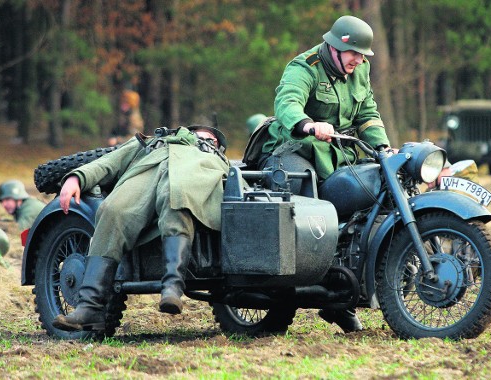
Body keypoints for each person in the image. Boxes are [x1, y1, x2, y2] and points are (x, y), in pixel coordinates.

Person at [257, 15, 392, 333]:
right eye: (354, 53)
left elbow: (368, 112)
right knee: (304, 214)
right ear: (335, 48)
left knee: (361, 208)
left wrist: (383, 148)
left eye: (362, 55)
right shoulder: (304, 67)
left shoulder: (360, 70)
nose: (358, 60)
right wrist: (308, 124)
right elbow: (287, 102)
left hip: (337, 154)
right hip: (293, 150)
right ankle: (284, 299)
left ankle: (338, 299)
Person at [52, 125, 229, 332]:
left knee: (176, 198)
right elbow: (109, 162)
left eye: (212, 138)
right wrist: (76, 178)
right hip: (145, 177)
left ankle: (172, 287)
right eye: (200, 132)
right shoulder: (151, 143)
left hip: (190, 179)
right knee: (113, 210)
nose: (205, 137)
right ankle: (89, 307)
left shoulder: (215, 159)